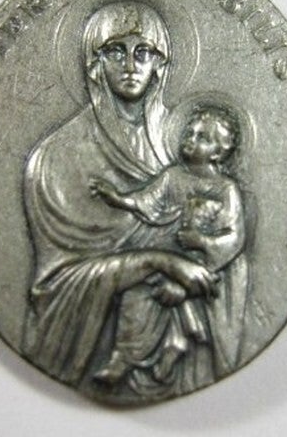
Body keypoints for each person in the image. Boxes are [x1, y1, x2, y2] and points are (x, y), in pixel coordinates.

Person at [22, 1, 215, 400]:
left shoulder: (186, 142)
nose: (130, 65)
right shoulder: (56, 157)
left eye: (143, 52)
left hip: (192, 348)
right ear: (94, 63)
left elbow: (222, 223)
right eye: (115, 51)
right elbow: (57, 284)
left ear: (160, 64)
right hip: (95, 338)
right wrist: (158, 262)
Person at [89, 106, 245, 385]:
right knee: (137, 290)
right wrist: (118, 199)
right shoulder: (173, 176)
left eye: (202, 138)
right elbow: (147, 200)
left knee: (168, 289)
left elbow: (233, 238)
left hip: (207, 265)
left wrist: (201, 244)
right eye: (190, 133)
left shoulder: (226, 189)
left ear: (218, 153)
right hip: (168, 255)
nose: (190, 140)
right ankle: (128, 356)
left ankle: (172, 345)